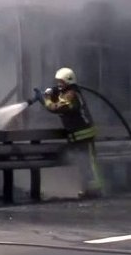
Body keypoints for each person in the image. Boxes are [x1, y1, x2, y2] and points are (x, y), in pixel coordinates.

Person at [40, 67, 105, 198]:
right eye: (58, 82)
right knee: (83, 164)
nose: (59, 85)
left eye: (61, 82)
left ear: (68, 81)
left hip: (84, 134)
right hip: (77, 136)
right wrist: (51, 93)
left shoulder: (71, 95)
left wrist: (46, 98)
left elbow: (58, 107)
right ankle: (87, 189)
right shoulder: (67, 93)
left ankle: (96, 189)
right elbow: (58, 100)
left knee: (90, 163)